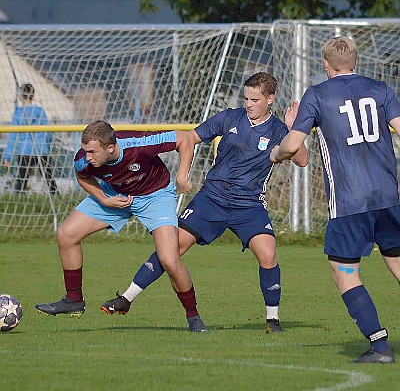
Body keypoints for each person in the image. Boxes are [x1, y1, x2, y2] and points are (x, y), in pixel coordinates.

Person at [101, 72, 308, 333]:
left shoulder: (279, 130)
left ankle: (272, 320)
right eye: (246, 98)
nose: (249, 104)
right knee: (172, 250)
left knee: (268, 254)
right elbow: (189, 139)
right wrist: (180, 173)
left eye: (255, 99)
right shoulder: (229, 117)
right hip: (212, 198)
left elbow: (302, 160)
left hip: (249, 204)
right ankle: (126, 299)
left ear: (270, 99)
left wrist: (293, 129)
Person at [270, 36, 400, 363]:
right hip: (388, 197)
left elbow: (292, 145)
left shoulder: (317, 94)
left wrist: (277, 149)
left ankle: (380, 345)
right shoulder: (381, 89)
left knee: (343, 270)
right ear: (355, 62)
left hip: (349, 202)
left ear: (325, 64)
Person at [35, 120, 208, 332]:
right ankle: (74, 300)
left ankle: (193, 317)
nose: (87, 156)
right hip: (113, 193)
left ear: (110, 148)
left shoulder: (139, 143)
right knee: (66, 235)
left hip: (155, 196)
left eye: (92, 152)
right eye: (85, 151)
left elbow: (185, 138)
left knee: (170, 260)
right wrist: (104, 199)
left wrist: (182, 177)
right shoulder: (83, 159)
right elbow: (82, 176)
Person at [3, 83, 58, 194]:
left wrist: (7, 156)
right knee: (49, 178)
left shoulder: (18, 113)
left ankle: (19, 198)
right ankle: (55, 197)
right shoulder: (40, 111)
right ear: (33, 95)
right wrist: (47, 146)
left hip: (25, 150)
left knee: (22, 180)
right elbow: (47, 132)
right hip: (41, 149)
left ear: (20, 96)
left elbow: (12, 136)